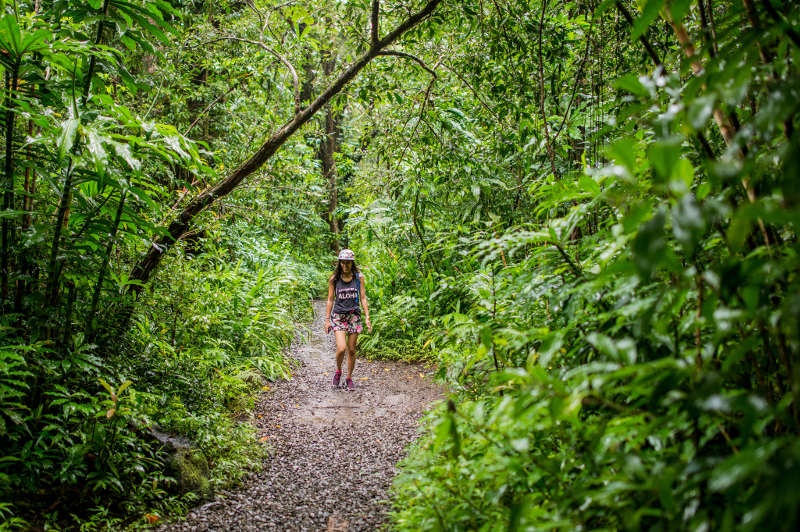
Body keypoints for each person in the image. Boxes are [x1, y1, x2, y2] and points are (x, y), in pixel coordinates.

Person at [325, 248, 372, 390]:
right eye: (343, 263)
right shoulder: (334, 279)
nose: (345, 266)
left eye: (348, 263)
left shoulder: (359, 277)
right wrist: (327, 319)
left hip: (354, 316)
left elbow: (363, 298)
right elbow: (330, 300)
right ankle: (338, 371)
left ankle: (349, 378)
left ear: (352, 263)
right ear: (339, 263)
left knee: (351, 349)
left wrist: (367, 317)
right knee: (341, 348)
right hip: (339, 316)